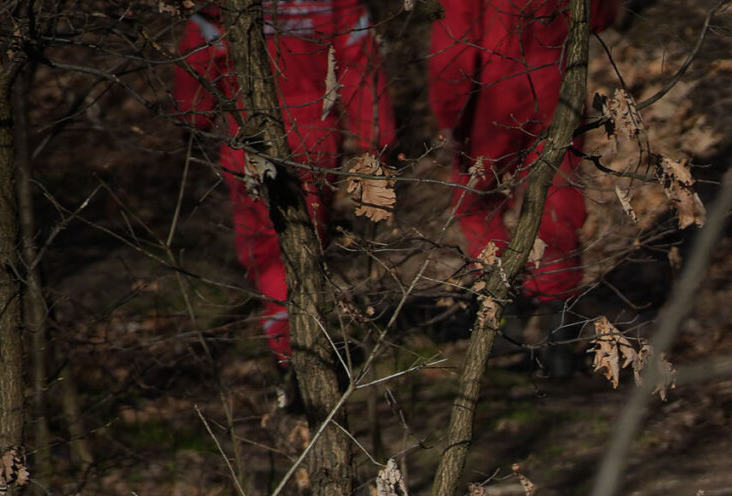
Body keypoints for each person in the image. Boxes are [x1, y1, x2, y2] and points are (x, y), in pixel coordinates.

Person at [172, 1, 396, 363]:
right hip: (313, 135)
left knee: (267, 244)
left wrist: (190, 121)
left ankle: (290, 349)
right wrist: (374, 137)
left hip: (250, 133)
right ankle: (300, 345)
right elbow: (360, 64)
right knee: (304, 238)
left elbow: (198, 62)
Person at [428, 0, 619, 362]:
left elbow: (454, 41)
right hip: (557, 81)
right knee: (556, 192)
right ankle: (555, 323)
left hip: (492, 91)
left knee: (475, 199)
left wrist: (449, 112)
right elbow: (600, 15)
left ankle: (502, 308)